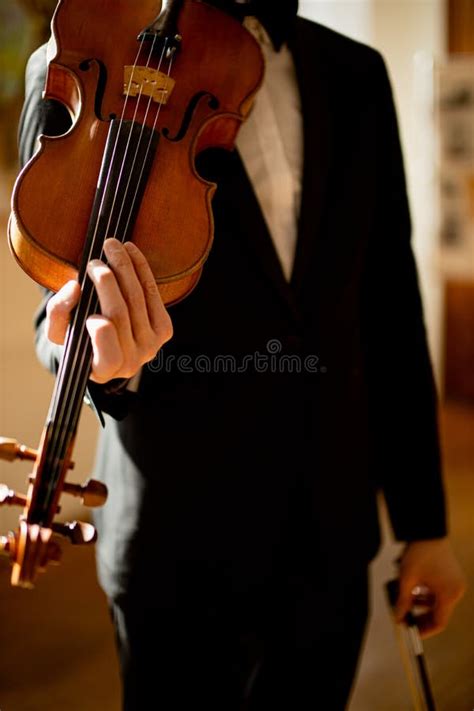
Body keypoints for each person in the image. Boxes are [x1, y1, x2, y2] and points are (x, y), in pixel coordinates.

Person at [19, 1, 466, 709]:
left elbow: (387, 300)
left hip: (331, 531)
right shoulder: (75, 61)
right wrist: (101, 358)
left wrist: (425, 525)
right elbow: (60, 306)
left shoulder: (357, 74)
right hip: (174, 537)